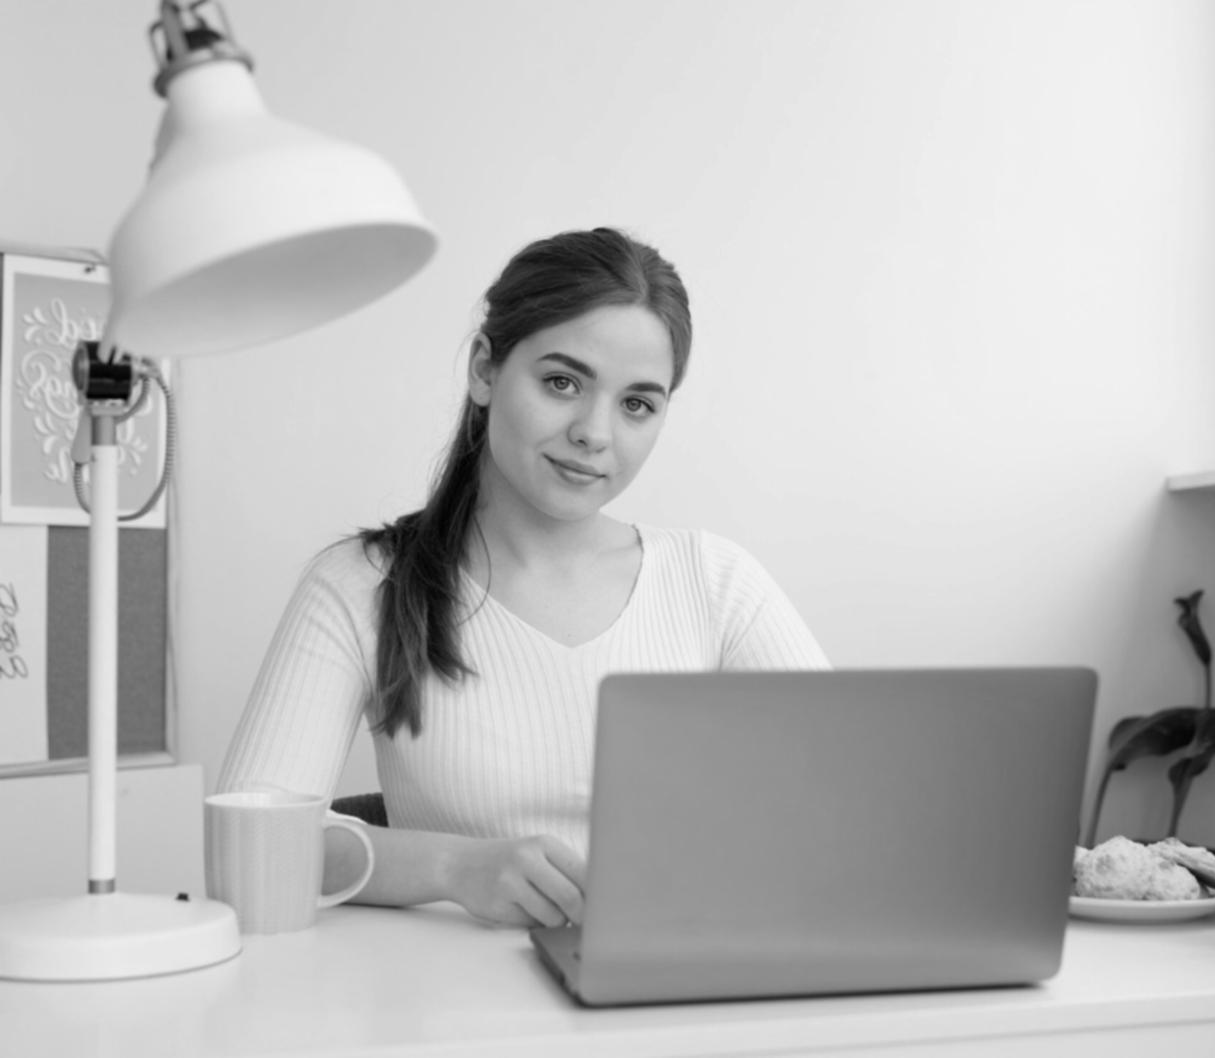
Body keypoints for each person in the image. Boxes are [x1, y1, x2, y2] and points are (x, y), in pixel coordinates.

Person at [217, 227, 829, 929]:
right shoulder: (364, 584)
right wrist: (453, 867)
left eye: (637, 404)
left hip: (675, 980)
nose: (595, 433)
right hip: (454, 994)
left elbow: (850, 809)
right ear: (485, 369)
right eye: (562, 383)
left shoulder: (715, 583)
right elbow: (248, 846)